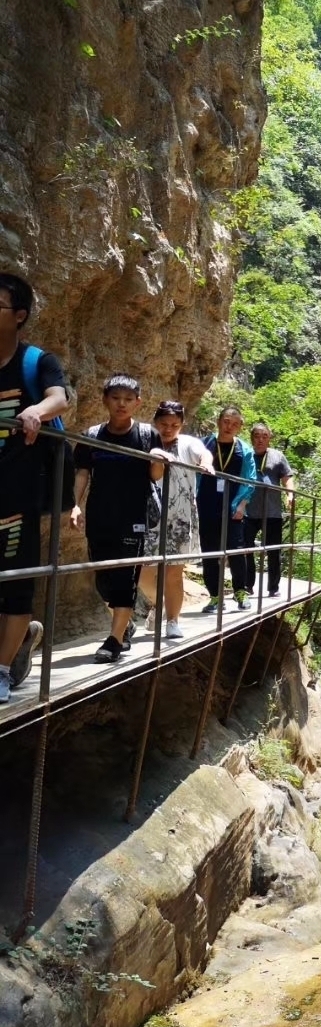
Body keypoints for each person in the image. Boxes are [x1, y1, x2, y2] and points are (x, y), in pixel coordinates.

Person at [0, 273, 67, 704]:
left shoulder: (36, 361)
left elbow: (59, 398)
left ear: (19, 316)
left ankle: (3, 672)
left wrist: (36, 411)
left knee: (15, 585)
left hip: (17, 496)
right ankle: (20, 644)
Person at [70, 375, 169, 663]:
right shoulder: (91, 436)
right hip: (100, 516)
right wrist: (75, 506)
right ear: (105, 399)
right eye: (116, 398)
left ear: (137, 402)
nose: (121, 404)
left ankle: (114, 640)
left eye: (128, 399)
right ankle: (125, 625)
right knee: (103, 582)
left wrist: (158, 460)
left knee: (125, 579)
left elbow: (154, 476)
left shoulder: (147, 435)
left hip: (133, 517)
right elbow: (82, 474)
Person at [138, 400, 213, 640]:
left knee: (173, 572)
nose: (168, 429)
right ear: (156, 422)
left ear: (181, 424)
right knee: (143, 572)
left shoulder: (189, 443)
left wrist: (206, 464)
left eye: (174, 424)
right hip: (151, 516)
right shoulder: (148, 441)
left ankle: (172, 621)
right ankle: (160, 604)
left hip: (180, 517)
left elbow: (204, 453)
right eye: (164, 423)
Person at [197, 405, 255, 613]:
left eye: (234, 423)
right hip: (206, 503)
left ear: (240, 426)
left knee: (236, 550)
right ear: (219, 421)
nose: (229, 426)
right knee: (209, 552)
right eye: (226, 421)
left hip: (233, 506)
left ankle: (241, 592)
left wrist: (242, 504)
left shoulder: (244, 449)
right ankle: (215, 596)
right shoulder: (205, 444)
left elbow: (250, 479)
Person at [243, 422, 295, 598]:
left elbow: (287, 478)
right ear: (252, 438)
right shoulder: (245, 454)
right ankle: (247, 585)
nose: (260, 440)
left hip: (272, 512)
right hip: (247, 511)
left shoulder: (278, 456)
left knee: (274, 551)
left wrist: (290, 495)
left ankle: (273, 587)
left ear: (269, 438)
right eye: (257, 436)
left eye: (264, 436)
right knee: (245, 549)